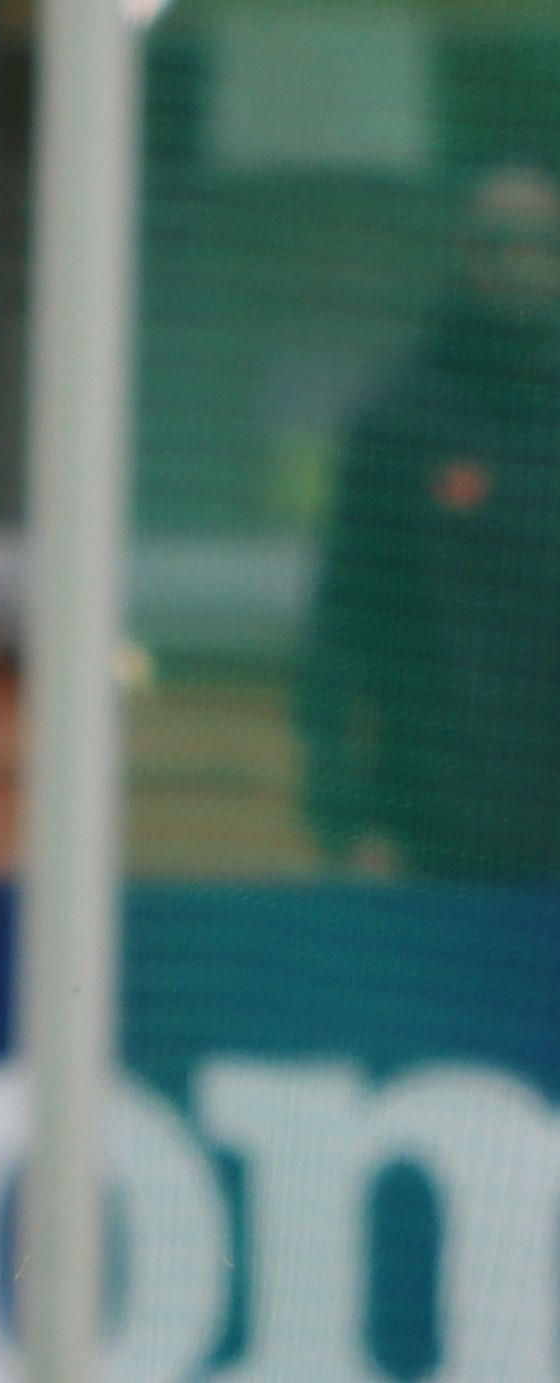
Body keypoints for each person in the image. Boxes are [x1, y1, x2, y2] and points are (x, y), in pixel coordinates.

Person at [300, 162, 560, 883]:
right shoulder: (401, 425)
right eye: (499, 244)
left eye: (543, 243)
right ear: (463, 256)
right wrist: (345, 818)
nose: (522, 264)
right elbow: (341, 629)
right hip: (432, 843)